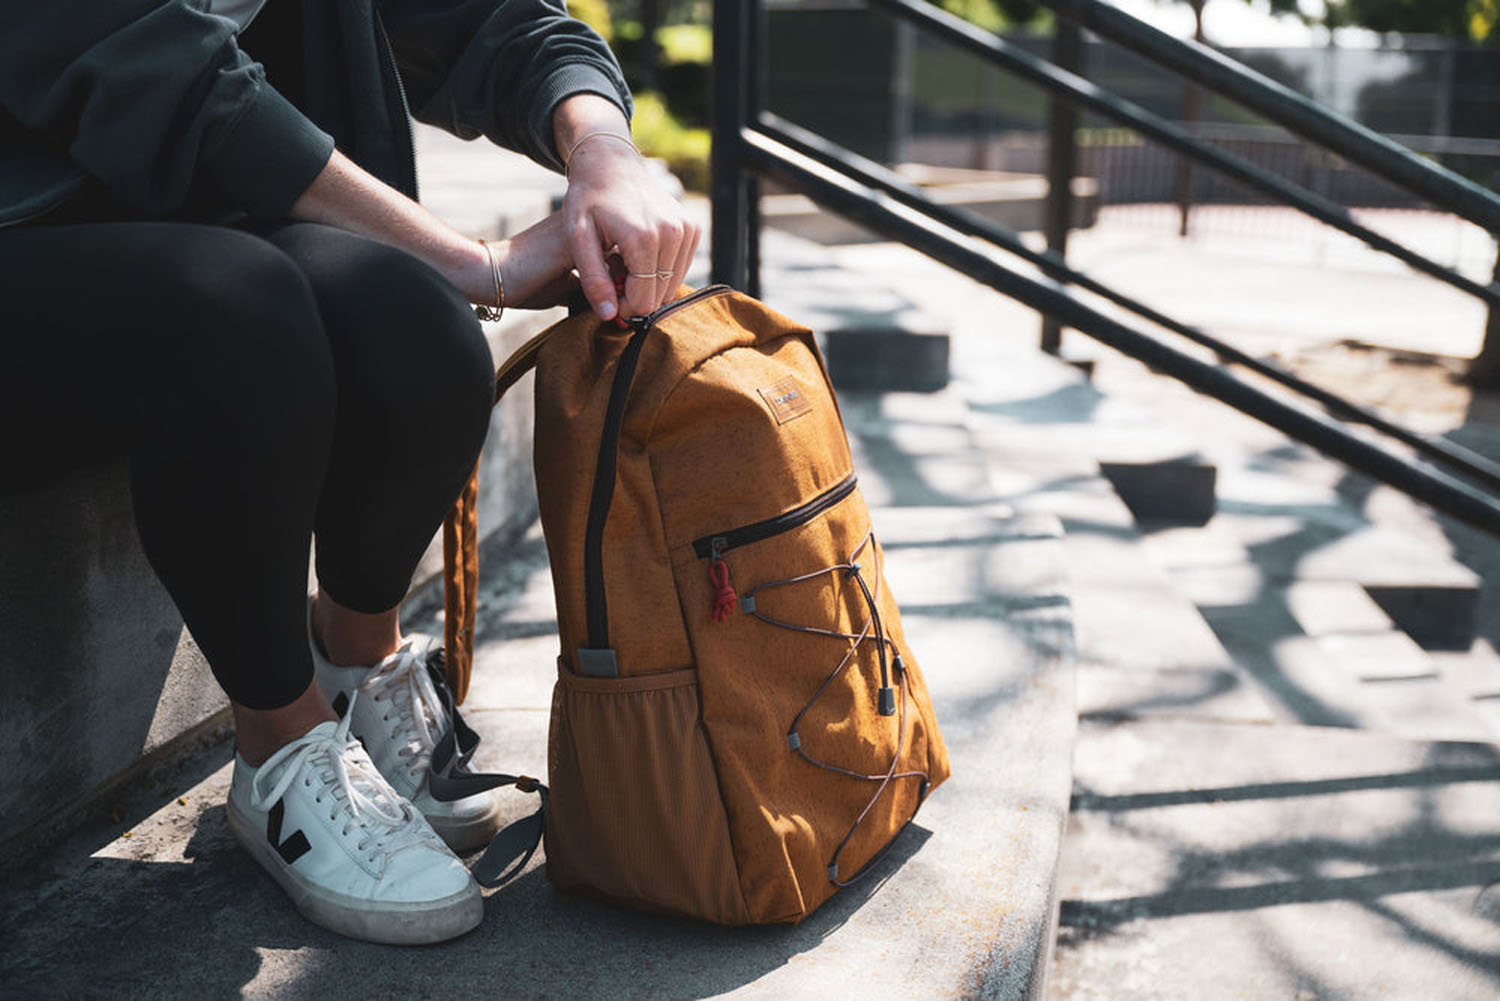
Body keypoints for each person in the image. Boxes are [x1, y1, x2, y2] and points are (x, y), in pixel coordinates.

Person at [0, 0, 699, 945]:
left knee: (416, 327)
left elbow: (486, 16)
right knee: (240, 315)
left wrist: (604, 150)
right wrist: (476, 260)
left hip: (188, 209)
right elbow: (151, 70)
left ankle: (355, 661)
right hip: (28, 226)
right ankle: (280, 747)